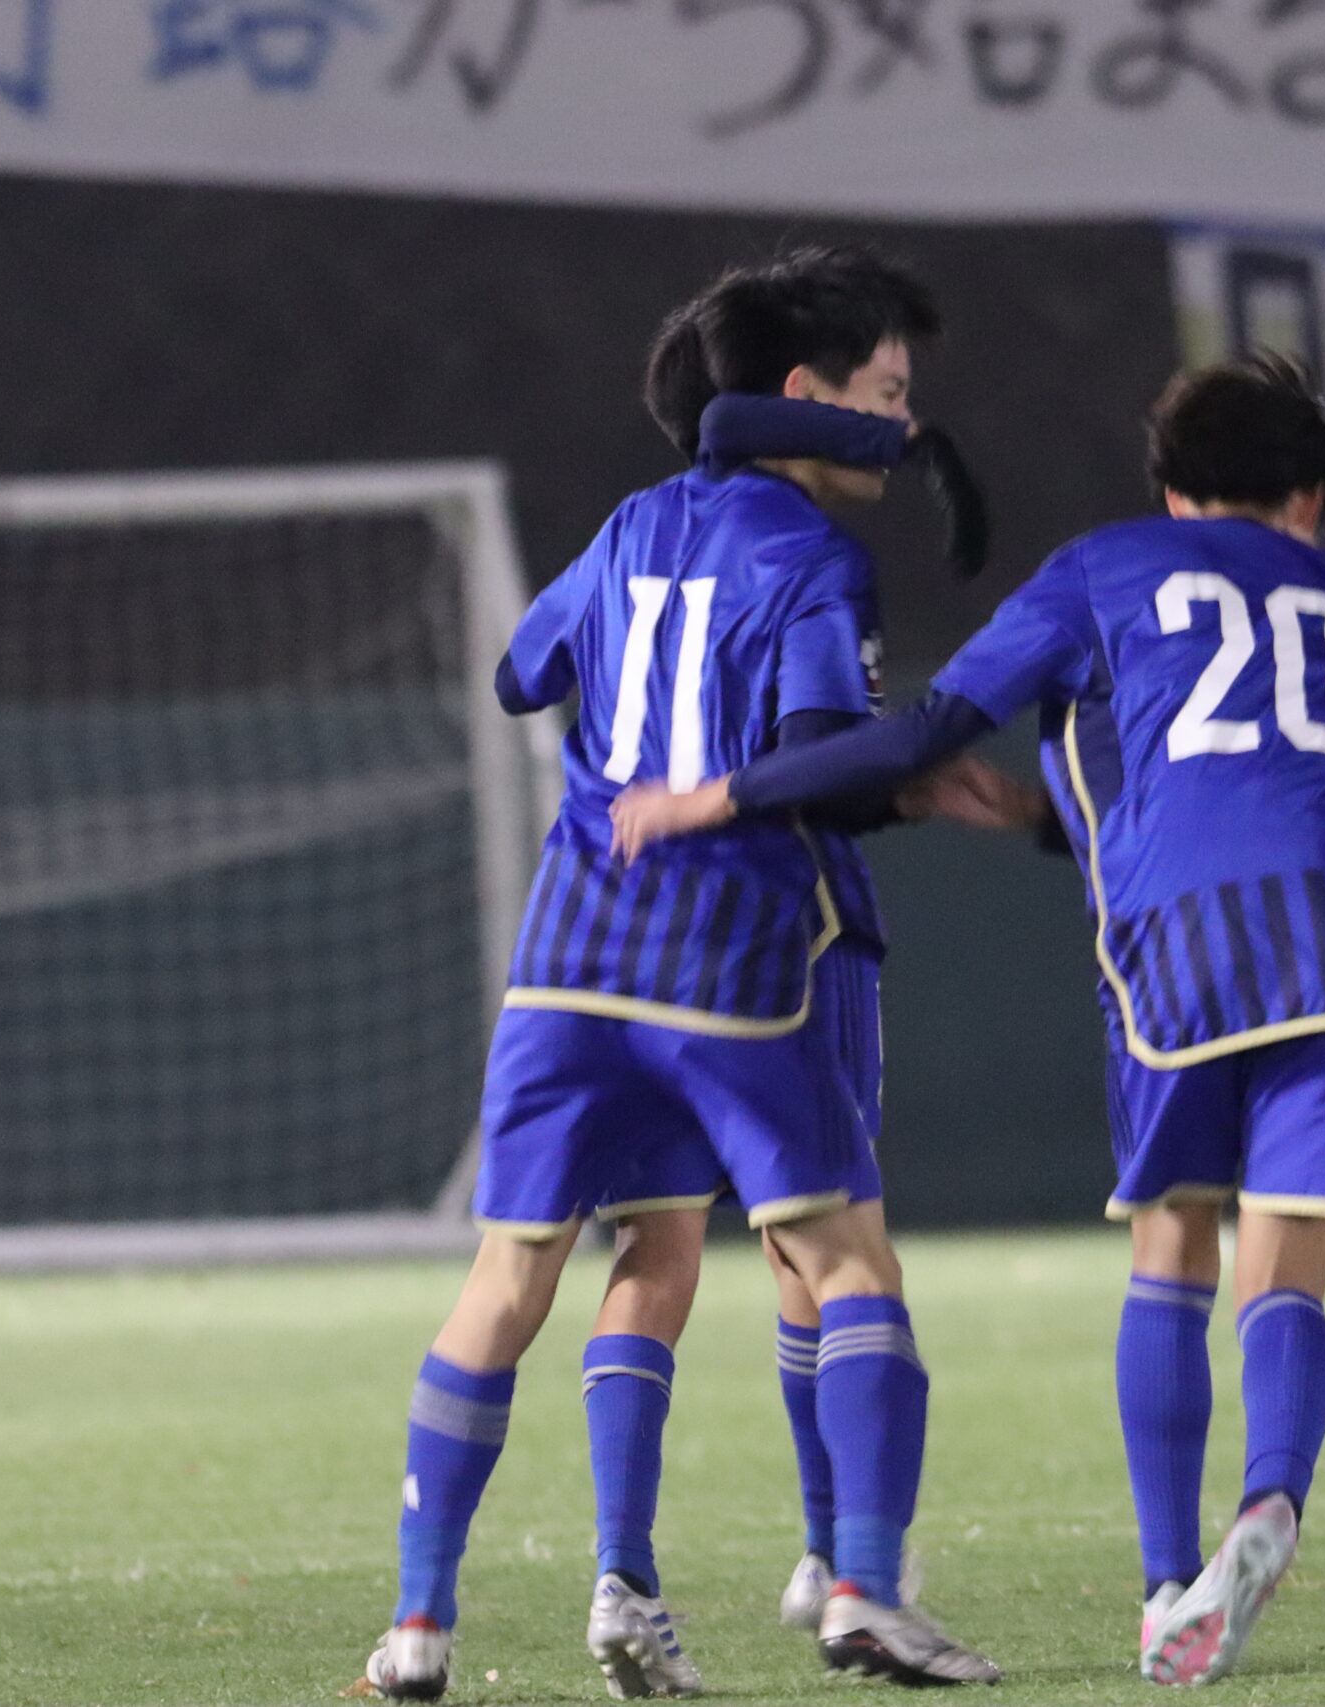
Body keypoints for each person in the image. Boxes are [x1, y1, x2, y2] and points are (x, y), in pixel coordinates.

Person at [613, 354, 1325, 1688]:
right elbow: (1237, 770)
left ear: (1173, 489)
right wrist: (1052, 816)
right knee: (1286, 1273)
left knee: (1173, 1241)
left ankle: (1166, 1585)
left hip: (1185, 937)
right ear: (1302, 502)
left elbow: (923, 731)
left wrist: (720, 795)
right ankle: (1272, 1496)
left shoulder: (1106, 568)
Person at [363, 246, 1004, 1702]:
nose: (903, 426)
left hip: (571, 957)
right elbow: (815, 759)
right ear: (807, 397)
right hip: (728, 956)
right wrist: (909, 772)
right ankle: (862, 1585)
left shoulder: (631, 523)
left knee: (512, 1278)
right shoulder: (812, 557)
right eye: (884, 395)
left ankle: (419, 1626)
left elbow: (521, 674)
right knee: (845, 1263)